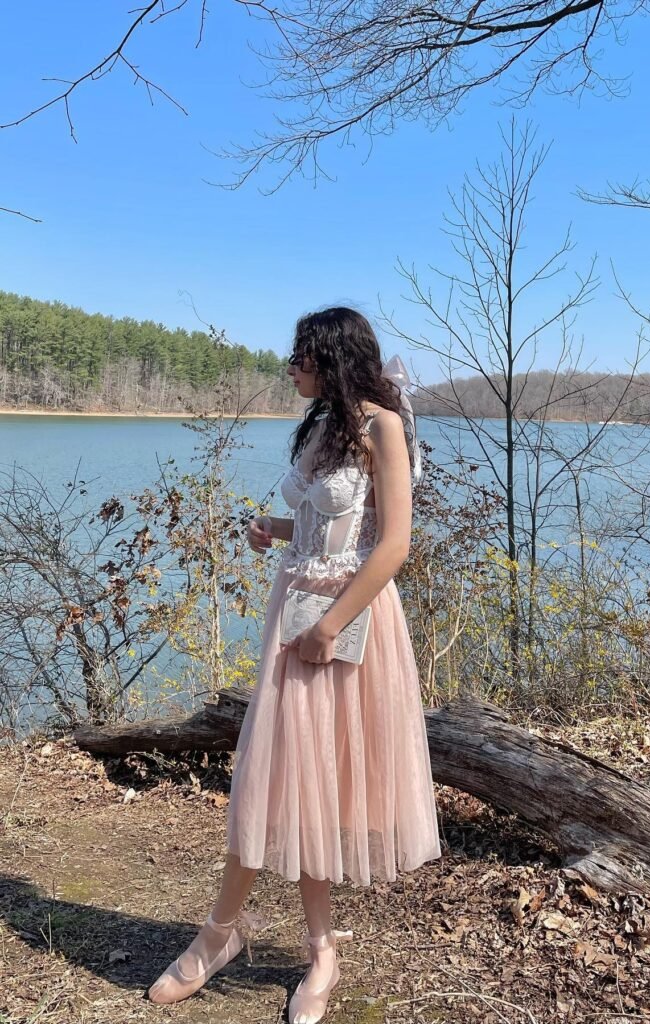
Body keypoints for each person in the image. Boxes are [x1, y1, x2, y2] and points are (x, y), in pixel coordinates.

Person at [148, 307, 441, 1023]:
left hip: (348, 624)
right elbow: (323, 524)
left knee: (318, 782)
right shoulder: (322, 426)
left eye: (301, 357)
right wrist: (275, 529)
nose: (291, 368)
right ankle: (234, 935)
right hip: (296, 616)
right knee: (280, 774)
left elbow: (392, 544)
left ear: (333, 358)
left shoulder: (384, 426)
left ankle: (302, 950)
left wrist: (331, 626)